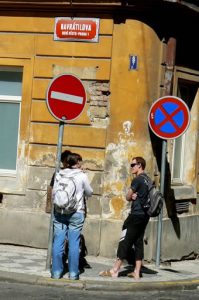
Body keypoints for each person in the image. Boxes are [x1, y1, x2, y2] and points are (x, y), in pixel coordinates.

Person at [99, 156, 150, 280]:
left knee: (125, 240)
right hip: (145, 215)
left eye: (133, 165)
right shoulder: (148, 180)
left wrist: (131, 196)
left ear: (140, 165)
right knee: (138, 242)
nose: (131, 167)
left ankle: (115, 270)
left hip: (135, 215)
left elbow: (127, 196)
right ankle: (137, 272)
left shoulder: (137, 180)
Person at [51, 152, 93, 280]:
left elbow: (53, 192)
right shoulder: (81, 176)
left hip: (60, 211)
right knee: (74, 243)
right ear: (77, 163)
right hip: (76, 211)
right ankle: (73, 273)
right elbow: (90, 192)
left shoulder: (59, 174)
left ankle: (56, 272)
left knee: (58, 241)